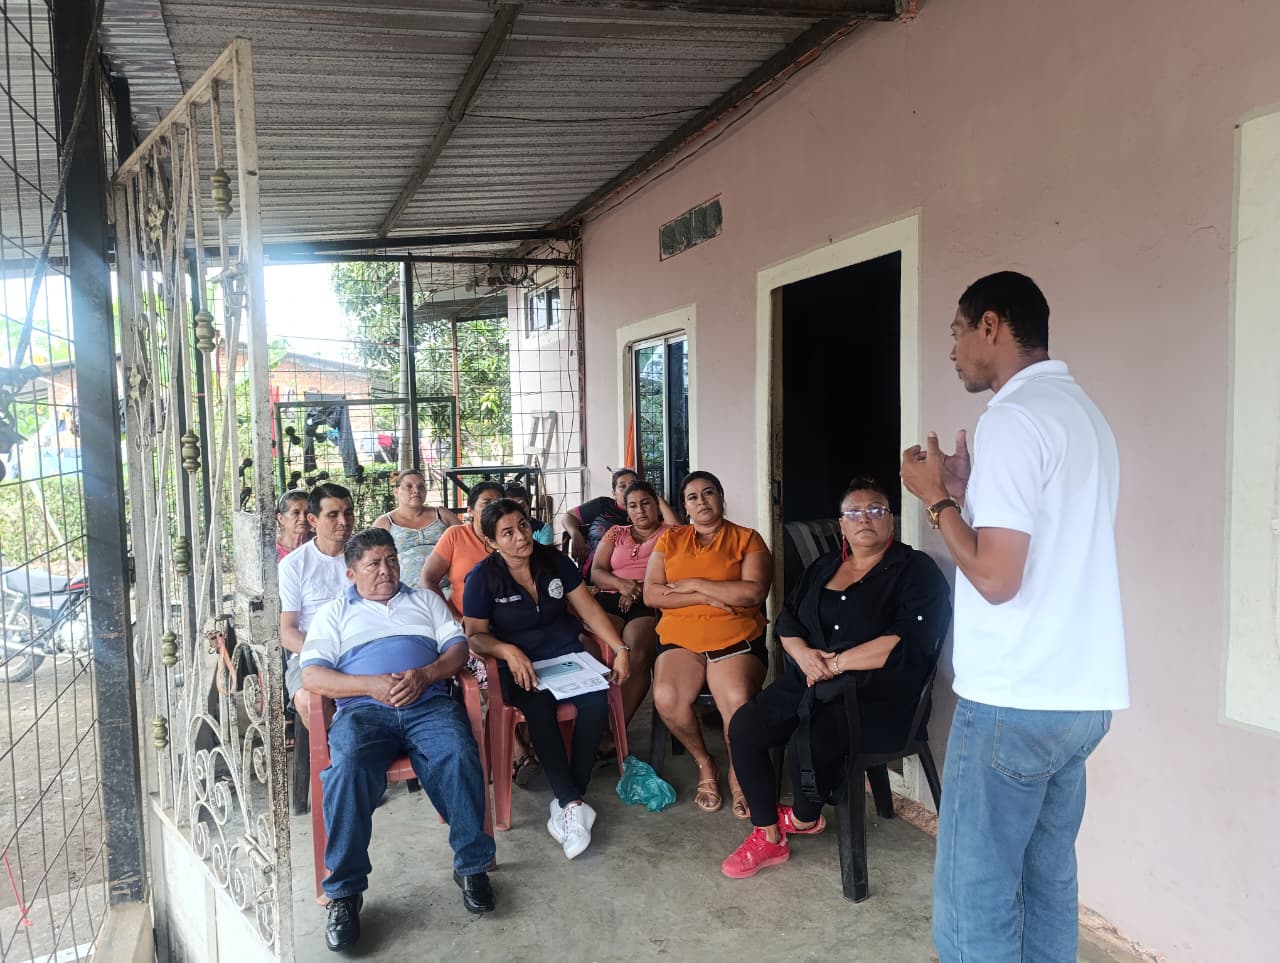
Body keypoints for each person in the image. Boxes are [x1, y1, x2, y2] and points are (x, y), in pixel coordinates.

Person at [900, 271, 1127, 963]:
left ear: (992, 326)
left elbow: (997, 579)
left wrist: (936, 498)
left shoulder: (1013, 416)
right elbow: (1038, 542)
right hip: (1080, 697)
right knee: (1046, 883)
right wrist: (968, 496)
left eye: (957, 332)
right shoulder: (1084, 414)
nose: (953, 350)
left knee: (975, 903)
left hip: (1014, 699)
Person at [720, 476, 951, 878]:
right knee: (745, 727)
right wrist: (803, 654)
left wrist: (837, 664)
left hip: (877, 695)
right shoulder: (824, 566)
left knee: (809, 740)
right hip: (811, 677)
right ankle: (769, 834)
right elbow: (789, 620)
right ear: (841, 524)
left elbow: (907, 641)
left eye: (876, 509)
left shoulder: (916, 570)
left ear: (891, 520)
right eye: (854, 512)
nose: (865, 518)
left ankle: (804, 818)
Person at [300, 528, 496, 951]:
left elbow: (457, 648)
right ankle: (344, 893)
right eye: (373, 563)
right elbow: (312, 674)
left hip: (428, 702)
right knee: (347, 769)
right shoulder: (334, 612)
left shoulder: (424, 600)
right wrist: (369, 686)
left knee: (458, 752)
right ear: (351, 573)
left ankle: (472, 866)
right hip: (364, 712)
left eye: (391, 559)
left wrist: (427, 673)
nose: (386, 570)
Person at [463, 498, 631, 859]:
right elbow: (475, 635)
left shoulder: (554, 561)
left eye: (523, 526)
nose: (521, 537)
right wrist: (507, 651)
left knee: (596, 699)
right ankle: (572, 802)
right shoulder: (483, 577)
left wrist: (620, 648)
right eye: (507, 533)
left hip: (566, 657)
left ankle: (569, 801)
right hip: (520, 667)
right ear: (491, 542)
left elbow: (588, 608)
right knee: (539, 708)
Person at [643, 470, 771, 818]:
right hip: (680, 638)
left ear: (721, 498)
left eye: (709, 493)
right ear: (684, 507)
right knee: (666, 697)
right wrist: (708, 597)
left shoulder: (747, 538)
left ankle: (739, 771)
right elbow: (652, 594)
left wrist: (695, 583)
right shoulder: (669, 540)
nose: (701, 501)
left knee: (737, 700)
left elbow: (753, 592)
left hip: (735, 636)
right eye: (692, 497)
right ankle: (705, 762)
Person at [589, 479, 672, 723]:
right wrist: (622, 585)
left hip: (649, 601)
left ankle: (617, 727)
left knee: (636, 650)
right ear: (626, 509)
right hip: (611, 598)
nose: (640, 510)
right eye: (633, 505)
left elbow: (678, 574)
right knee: (598, 648)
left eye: (646, 503)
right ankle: (595, 721)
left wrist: (638, 589)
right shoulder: (616, 533)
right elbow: (597, 572)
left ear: (656, 505)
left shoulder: (672, 534)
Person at [279, 483, 354, 730]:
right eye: (333, 515)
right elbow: (287, 632)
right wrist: (326, 653)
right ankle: (336, 752)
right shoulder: (293, 565)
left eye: (348, 513)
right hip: (312, 652)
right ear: (313, 520)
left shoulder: (364, 557)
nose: (343, 521)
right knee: (310, 701)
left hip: (362, 647)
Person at [564, 468, 678, 574]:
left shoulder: (647, 514)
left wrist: (651, 495)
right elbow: (569, 516)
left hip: (629, 575)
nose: (628, 489)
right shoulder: (603, 505)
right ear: (614, 493)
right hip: (591, 574)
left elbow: (678, 533)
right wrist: (575, 534)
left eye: (632, 485)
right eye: (622, 486)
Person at [419, 481, 504, 617]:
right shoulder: (455, 535)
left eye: (499, 503)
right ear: (470, 511)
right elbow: (427, 579)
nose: (494, 509)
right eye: (486, 503)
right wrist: (453, 618)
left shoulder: (513, 537)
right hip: (461, 620)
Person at [371, 469, 460, 586]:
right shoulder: (385, 523)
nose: (416, 490)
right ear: (396, 492)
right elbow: (370, 557)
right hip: (404, 591)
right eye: (409, 486)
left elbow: (468, 539)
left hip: (448, 588)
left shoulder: (442, 514)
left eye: (421, 486)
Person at [275, 489, 311, 560]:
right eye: (296, 512)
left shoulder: (319, 545)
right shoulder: (273, 549)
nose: (303, 518)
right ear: (281, 518)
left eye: (307, 512)